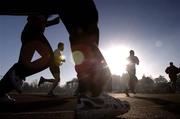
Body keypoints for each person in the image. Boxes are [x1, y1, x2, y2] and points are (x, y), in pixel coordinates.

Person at [0, 15, 60, 101]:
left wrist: (52, 22)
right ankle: (18, 73)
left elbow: (40, 20)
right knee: (49, 58)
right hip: (34, 31)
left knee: (22, 65)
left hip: (30, 31)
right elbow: (36, 18)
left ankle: (1, 91)